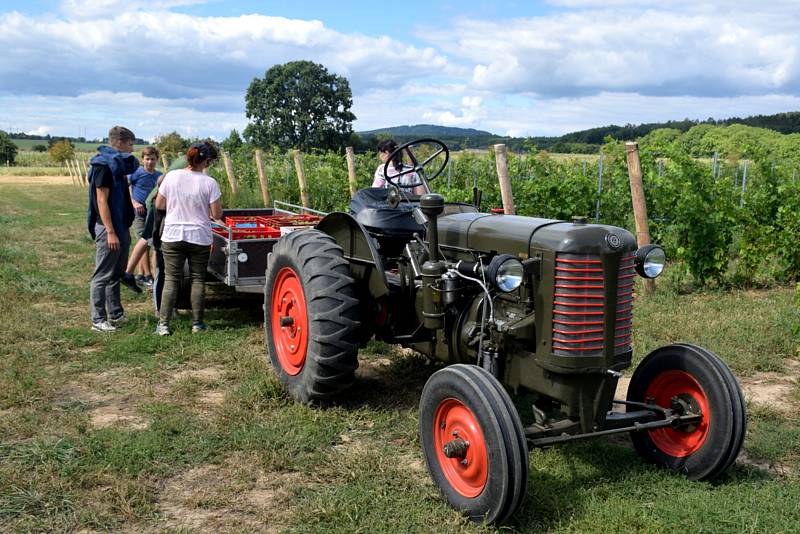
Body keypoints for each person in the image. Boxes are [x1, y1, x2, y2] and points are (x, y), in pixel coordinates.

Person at [154, 142, 222, 335]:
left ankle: (164, 325)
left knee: (171, 279)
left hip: (173, 234)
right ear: (206, 161)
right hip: (199, 236)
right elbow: (216, 213)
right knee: (198, 279)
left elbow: (159, 204)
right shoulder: (209, 183)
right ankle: (197, 324)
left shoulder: (172, 176)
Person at [87, 125, 138, 332]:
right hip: (108, 227)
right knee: (102, 275)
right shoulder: (103, 166)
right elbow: (101, 200)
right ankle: (98, 320)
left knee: (116, 273)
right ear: (119, 142)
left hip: (121, 225)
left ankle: (115, 313)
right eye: (130, 144)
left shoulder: (118, 164)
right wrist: (110, 231)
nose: (132, 150)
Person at [121, 146, 162, 290]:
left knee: (151, 243)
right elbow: (124, 187)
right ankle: (148, 275)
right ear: (142, 159)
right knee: (143, 242)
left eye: (152, 159)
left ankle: (140, 274)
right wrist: (134, 202)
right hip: (138, 214)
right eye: (147, 159)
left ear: (157, 160)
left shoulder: (159, 175)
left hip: (153, 214)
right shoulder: (136, 173)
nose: (150, 162)